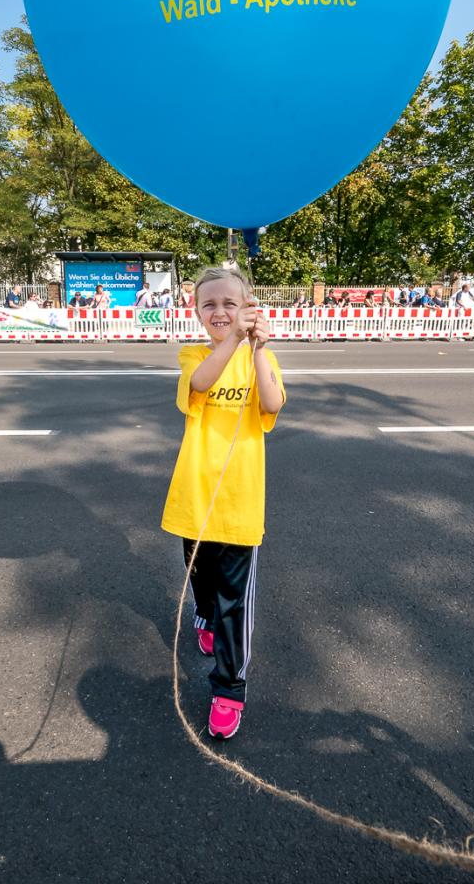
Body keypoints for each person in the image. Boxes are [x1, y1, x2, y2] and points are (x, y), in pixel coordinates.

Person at [161, 267, 285, 741]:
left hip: (239, 505)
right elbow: (201, 385)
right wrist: (233, 339)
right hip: (194, 497)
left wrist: (259, 349)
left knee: (236, 604)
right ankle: (204, 614)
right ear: (196, 312)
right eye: (209, 304)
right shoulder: (195, 354)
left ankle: (229, 689)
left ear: (247, 307)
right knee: (201, 577)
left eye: (230, 304)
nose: (219, 312)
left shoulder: (260, 356)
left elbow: (271, 405)